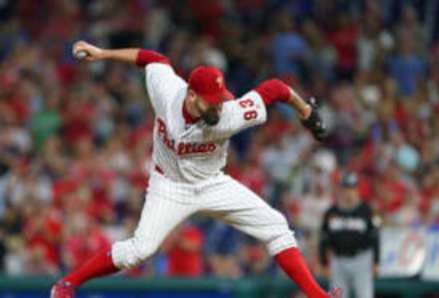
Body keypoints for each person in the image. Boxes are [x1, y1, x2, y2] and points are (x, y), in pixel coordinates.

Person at [50, 41, 342, 298]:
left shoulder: (230, 114)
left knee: (277, 227)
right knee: (140, 251)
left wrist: (306, 111)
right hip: (169, 186)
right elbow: (154, 59)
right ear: (191, 96)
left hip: (212, 183)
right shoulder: (168, 93)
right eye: (211, 102)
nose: (219, 107)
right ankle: (67, 284)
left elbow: (276, 89)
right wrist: (103, 54)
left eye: (220, 99)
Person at [319, 172, 379, 298]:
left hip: (361, 259)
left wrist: (376, 261)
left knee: (365, 296)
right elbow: (324, 238)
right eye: (346, 188)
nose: (348, 192)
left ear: (357, 190)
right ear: (340, 190)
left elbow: (375, 237)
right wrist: (324, 263)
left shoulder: (366, 210)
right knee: (336, 296)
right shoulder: (331, 212)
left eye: (352, 188)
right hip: (338, 261)